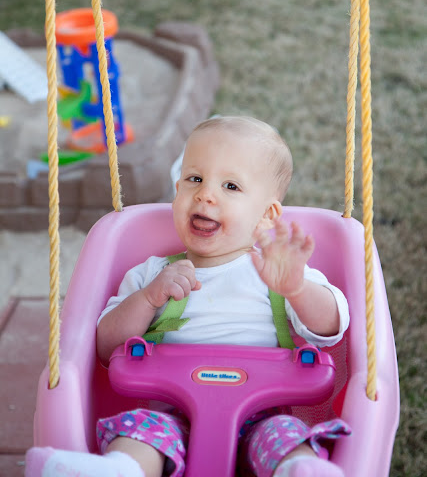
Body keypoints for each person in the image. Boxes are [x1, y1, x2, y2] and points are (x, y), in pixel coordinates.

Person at [26, 116, 351, 477]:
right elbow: (105, 346)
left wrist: (296, 288)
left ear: (266, 214)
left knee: (287, 437)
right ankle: (120, 470)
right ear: (177, 189)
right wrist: (149, 298)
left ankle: (298, 470)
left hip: (263, 414)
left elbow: (333, 327)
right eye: (194, 179)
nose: (205, 194)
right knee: (139, 433)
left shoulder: (277, 272)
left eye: (230, 186)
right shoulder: (152, 274)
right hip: (171, 416)